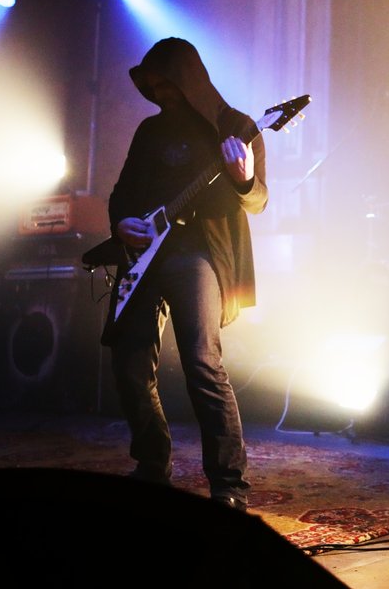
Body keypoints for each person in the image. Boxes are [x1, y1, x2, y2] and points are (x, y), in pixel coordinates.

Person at [104, 37, 267, 512]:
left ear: (189, 79)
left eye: (168, 84)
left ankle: (229, 485)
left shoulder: (236, 126)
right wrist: (121, 223)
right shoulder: (149, 132)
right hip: (144, 256)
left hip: (199, 255)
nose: (160, 94)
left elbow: (258, 200)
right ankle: (152, 464)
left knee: (201, 360)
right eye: (153, 87)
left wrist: (243, 178)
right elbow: (122, 193)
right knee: (129, 361)